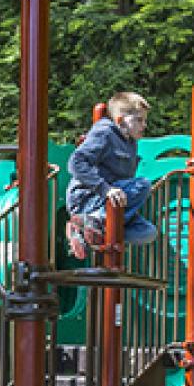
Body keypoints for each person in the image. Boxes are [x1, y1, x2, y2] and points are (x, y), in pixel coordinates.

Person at [65, 91, 158, 260]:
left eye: (145, 120)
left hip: (110, 204)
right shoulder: (105, 132)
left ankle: (92, 232)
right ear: (120, 120)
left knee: (147, 232)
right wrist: (105, 189)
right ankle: (91, 221)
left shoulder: (131, 143)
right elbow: (75, 162)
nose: (144, 125)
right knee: (142, 184)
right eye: (139, 120)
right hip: (89, 197)